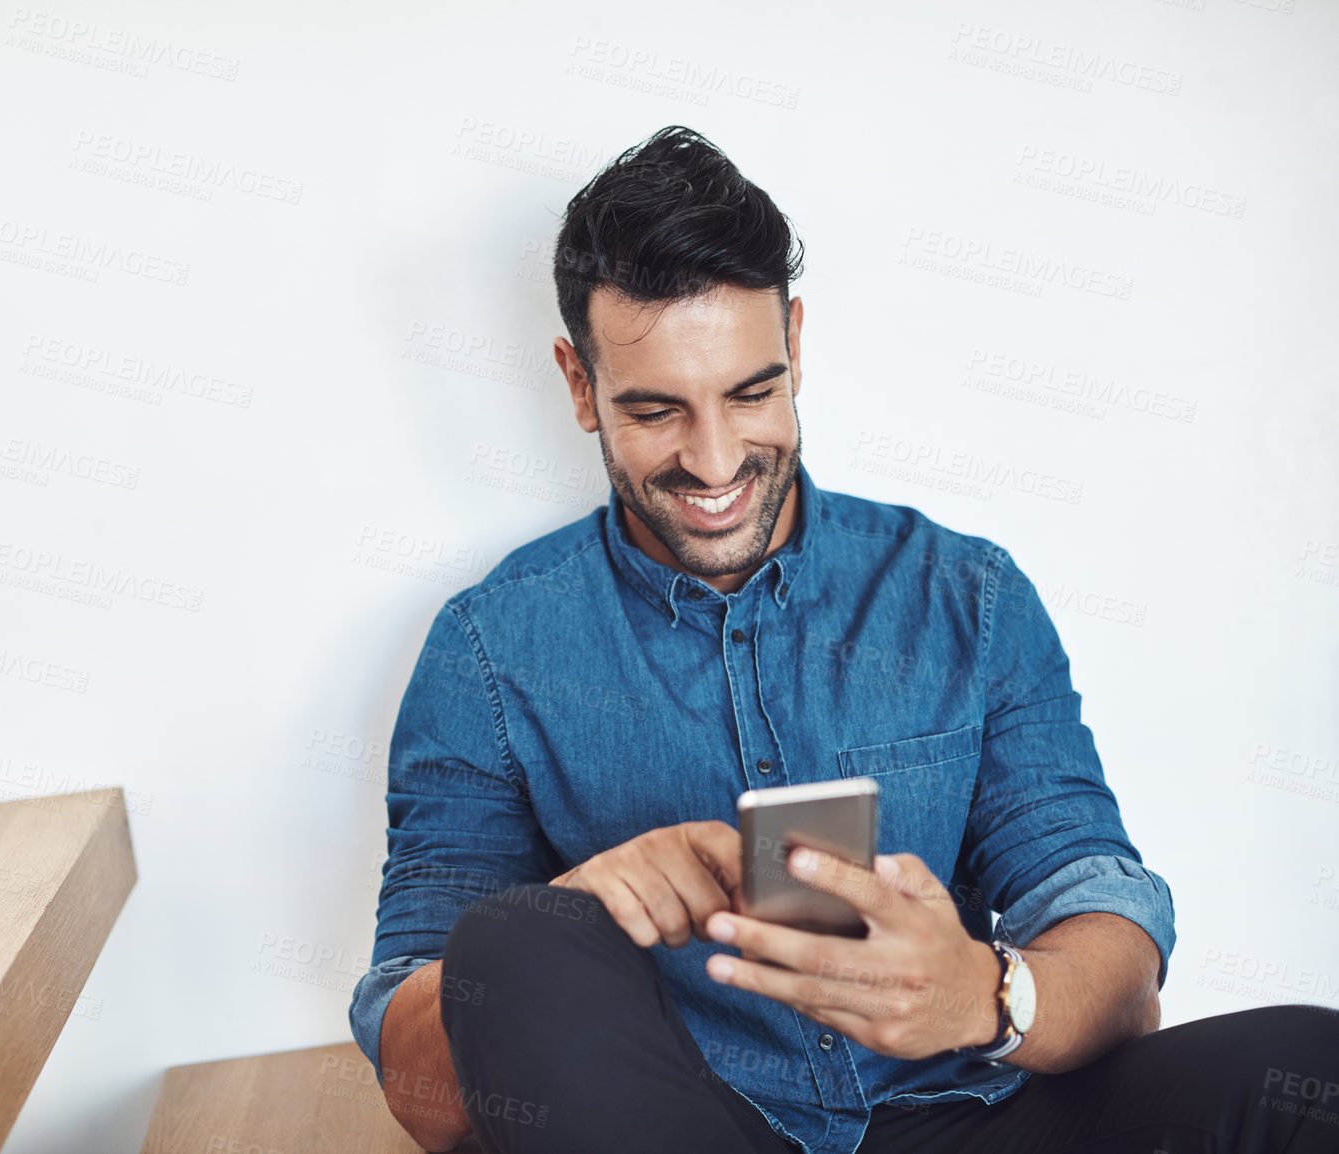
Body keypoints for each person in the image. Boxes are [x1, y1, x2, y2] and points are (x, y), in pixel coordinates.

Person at [347, 125, 1338, 1154]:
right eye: (655, 410)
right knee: (508, 941)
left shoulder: (965, 595)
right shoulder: (489, 649)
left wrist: (990, 996)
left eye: (751, 391)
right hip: (690, 1126)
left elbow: (1116, 955)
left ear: (797, 346)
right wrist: (581, 904)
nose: (716, 457)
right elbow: (418, 1083)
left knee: (1308, 1067)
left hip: (971, 1115)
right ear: (578, 383)